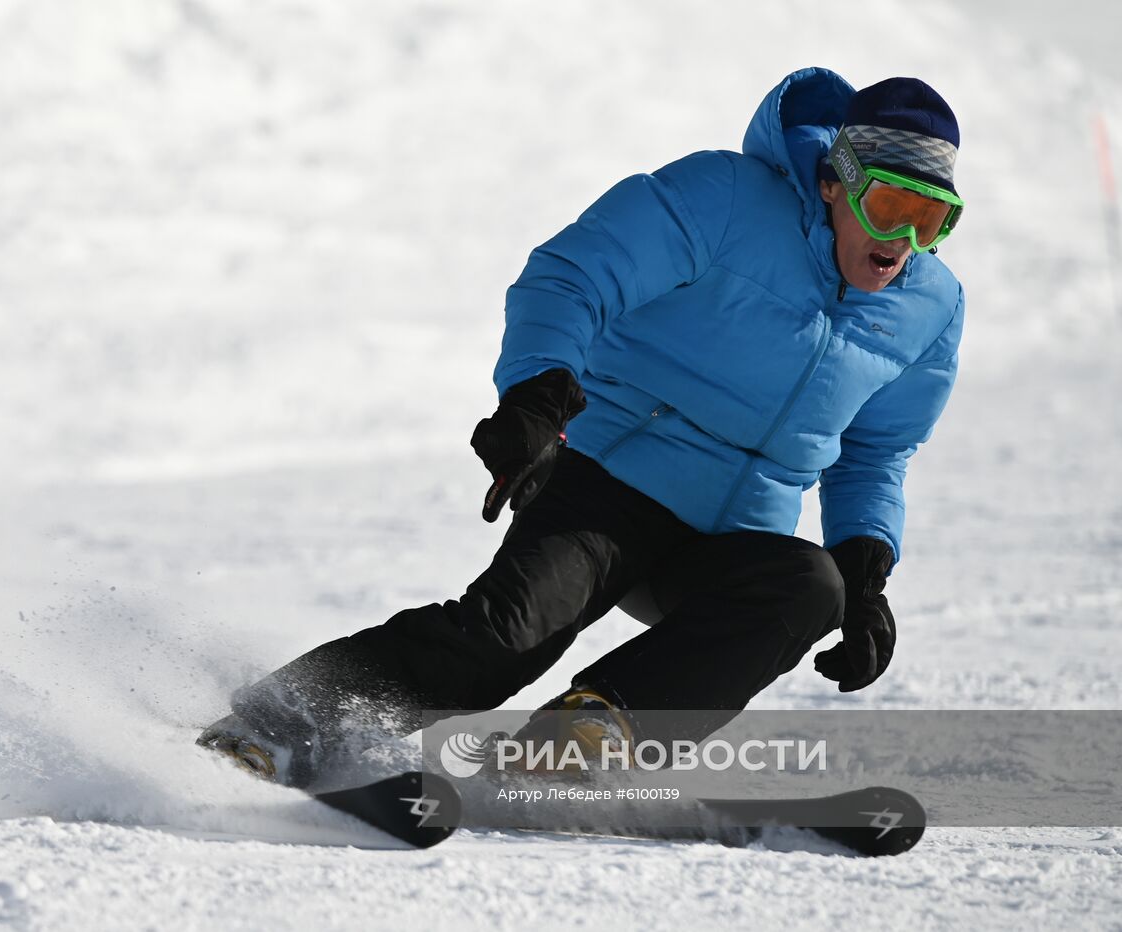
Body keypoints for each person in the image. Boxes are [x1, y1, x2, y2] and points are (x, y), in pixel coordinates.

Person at [200, 67, 966, 789]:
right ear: (835, 182)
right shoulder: (724, 198)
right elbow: (574, 274)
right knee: (502, 644)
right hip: (609, 482)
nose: (903, 241)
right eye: (891, 208)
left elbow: (875, 450)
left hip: (731, 536)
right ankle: (273, 723)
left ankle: (581, 739)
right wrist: (536, 398)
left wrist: (865, 575)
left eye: (931, 221)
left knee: (809, 585)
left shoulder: (931, 308)